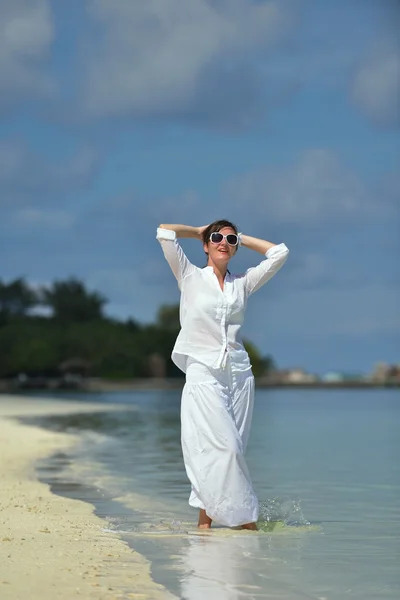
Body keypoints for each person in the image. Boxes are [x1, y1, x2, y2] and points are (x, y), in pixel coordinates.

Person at [157, 220, 289, 530]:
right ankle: (246, 523)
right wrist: (200, 230)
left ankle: (204, 525)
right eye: (217, 237)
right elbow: (165, 232)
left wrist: (241, 237)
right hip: (203, 372)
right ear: (206, 244)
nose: (223, 243)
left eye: (230, 240)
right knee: (225, 448)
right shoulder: (189, 275)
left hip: (240, 374)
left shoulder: (242, 283)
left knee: (233, 451)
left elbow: (279, 253)